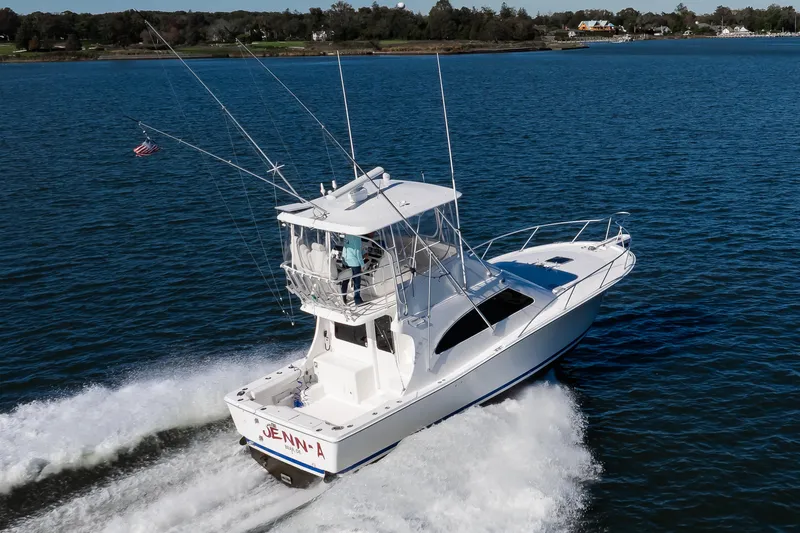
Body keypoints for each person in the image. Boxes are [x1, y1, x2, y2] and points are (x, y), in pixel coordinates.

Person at [341, 234, 366, 305]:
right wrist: (362, 264)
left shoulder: (347, 235)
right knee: (356, 282)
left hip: (346, 261)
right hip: (354, 263)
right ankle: (357, 300)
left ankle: (343, 298)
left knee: (345, 281)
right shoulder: (357, 238)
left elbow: (346, 248)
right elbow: (357, 253)